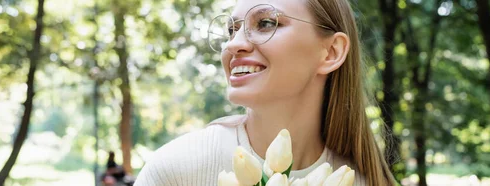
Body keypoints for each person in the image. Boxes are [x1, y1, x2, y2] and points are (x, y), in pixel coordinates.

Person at [136, 0, 396, 185]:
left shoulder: (360, 180)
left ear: (331, 52)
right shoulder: (177, 169)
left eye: (266, 23)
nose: (234, 44)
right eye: (232, 29)